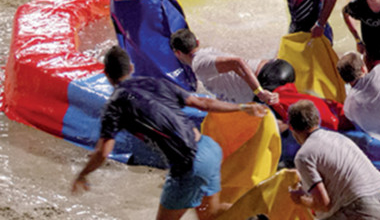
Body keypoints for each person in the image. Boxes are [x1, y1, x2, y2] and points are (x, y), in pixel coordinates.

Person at [71, 46, 265, 220]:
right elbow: (203, 103)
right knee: (211, 215)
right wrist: (240, 107)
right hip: (209, 149)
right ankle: (263, 213)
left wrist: (83, 174)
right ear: (131, 68)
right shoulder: (154, 83)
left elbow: (103, 152)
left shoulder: (114, 105)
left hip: (190, 163)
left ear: (105, 74)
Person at [288, 100, 380, 219]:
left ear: (291, 128)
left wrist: (301, 199)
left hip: (364, 207)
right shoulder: (340, 138)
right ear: (317, 119)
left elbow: (324, 204)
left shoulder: (304, 155)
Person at [169, 28, 279, 106]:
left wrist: (259, 91)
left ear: (177, 53)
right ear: (197, 41)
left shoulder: (199, 63)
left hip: (267, 80)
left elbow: (237, 62)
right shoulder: (208, 52)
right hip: (275, 68)